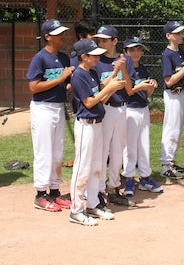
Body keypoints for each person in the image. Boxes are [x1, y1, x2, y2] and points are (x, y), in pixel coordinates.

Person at [69, 39, 125, 226]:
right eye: (93, 54)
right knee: (82, 168)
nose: (97, 57)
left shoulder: (91, 71)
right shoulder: (78, 75)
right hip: (86, 125)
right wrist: (108, 89)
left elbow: (101, 94)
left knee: (97, 166)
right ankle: (76, 209)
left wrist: (112, 82)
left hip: (98, 124)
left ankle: (92, 203)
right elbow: (89, 102)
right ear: (84, 57)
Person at [27, 19, 74, 212]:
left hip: (58, 107)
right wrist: (60, 78)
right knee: (43, 151)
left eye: (63, 32)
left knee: (57, 151)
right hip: (42, 108)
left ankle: (54, 191)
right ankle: (40, 194)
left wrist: (72, 84)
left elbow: (67, 85)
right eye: (58, 33)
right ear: (47, 36)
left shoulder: (64, 58)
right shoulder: (40, 58)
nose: (62, 35)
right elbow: (33, 86)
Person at [93, 25, 135, 207]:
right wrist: (115, 71)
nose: (101, 43)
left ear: (115, 41)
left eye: (104, 40)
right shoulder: (96, 60)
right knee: (103, 151)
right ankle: (100, 190)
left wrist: (123, 67)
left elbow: (129, 89)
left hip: (122, 108)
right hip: (106, 109)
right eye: (99, 40)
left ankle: (113, 188)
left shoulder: (126, 60)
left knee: (118, 152)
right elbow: (101, 87)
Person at [121, 37, 163, 197]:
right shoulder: (124, 69)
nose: (136, 52)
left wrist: (151, 86)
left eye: (138, 49)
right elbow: (127, 91)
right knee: (130, 146)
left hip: (143, 109)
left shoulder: (143, 68)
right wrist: (140, 86)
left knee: (144, 145)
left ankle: (145, 177)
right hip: (130, 110)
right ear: (125, 52)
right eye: (132, 50)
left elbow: (146, 94)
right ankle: (129, 178)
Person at [160, 21, 184, 179]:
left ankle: (171, 161)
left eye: (181, 32)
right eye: (177, 33)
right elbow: (168, 81)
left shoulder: (180, 52)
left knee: (178, 128)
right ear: (169, 36)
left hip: (181, 93)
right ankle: (165, 165)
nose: (180, 35)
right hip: (172, 95)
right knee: (171, 129)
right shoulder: (167, 54)